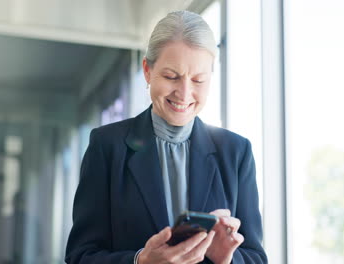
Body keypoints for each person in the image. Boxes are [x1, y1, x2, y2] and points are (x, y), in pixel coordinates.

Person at [65, 10, 267, 264]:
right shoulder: (107, 146)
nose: (184, 93)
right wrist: (140, 261)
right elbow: (80, 256)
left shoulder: (236, 152)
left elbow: (255, 257)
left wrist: (226, 259)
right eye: (172, 76)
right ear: (148, 71)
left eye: (198, 80)